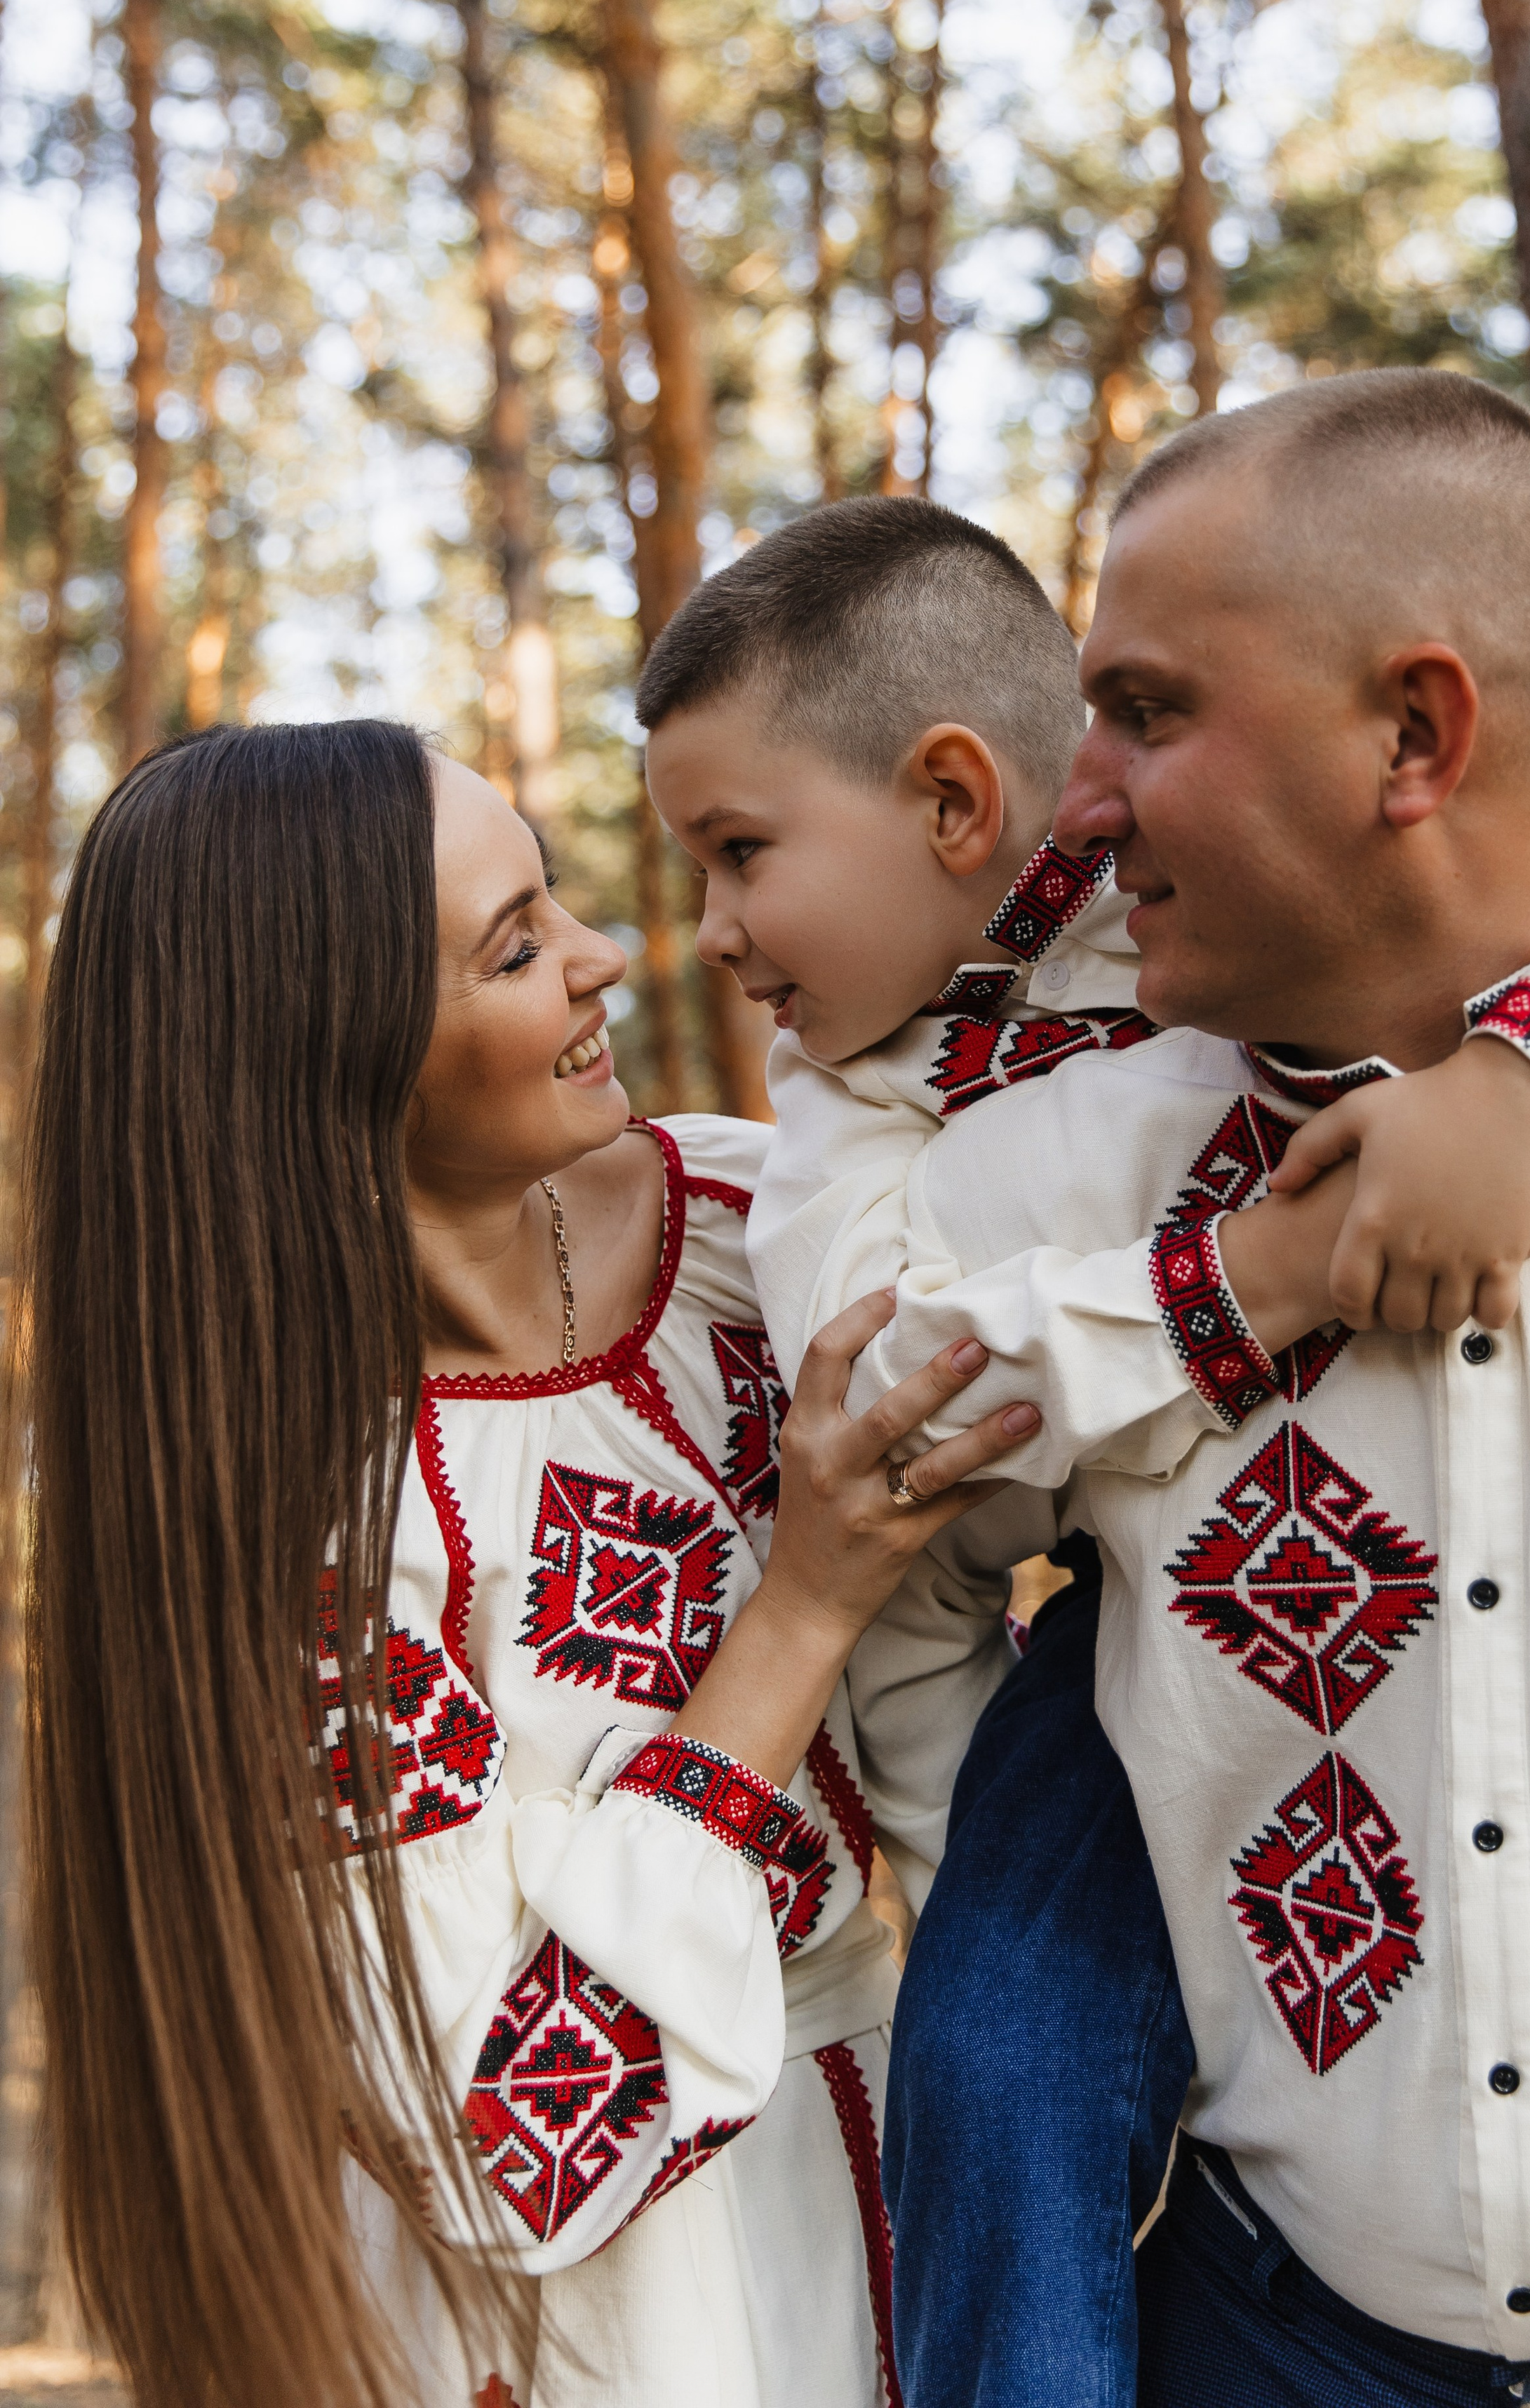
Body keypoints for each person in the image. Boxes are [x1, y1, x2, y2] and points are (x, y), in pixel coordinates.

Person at [634, 466, 1530, 2408]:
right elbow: (877, 1383)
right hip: (1058, 1627)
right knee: (1002, 2055)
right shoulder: (890, 1101)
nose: (707, 933)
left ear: (946, 801)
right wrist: (1276, 1262)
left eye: (743, 852)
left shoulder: (1224, 894)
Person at [20, 720, 1035, 2408]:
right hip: (610, 2324)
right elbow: (519, 2133)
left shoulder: (741, 1227)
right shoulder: (297, 1543)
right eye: (512, 948)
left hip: (911, 2183)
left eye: (552, 900)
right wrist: (795, 1614)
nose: (604, 956)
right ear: (328, 1058)